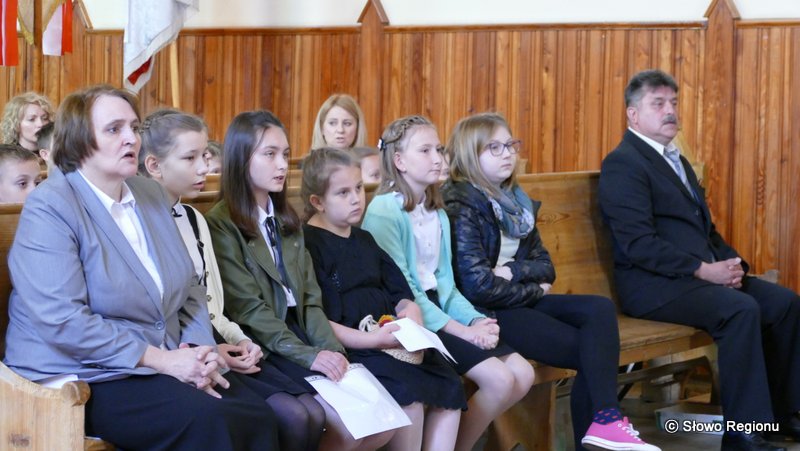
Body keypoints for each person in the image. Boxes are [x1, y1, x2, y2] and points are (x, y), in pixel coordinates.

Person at [2, 85, 278, 450]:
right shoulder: (50, 207)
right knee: (209, 420)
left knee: (260, 414)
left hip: (158, 361)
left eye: (134, 127)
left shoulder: (149, 194)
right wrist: (163, 360)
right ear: (80, 140)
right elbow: (63, 320)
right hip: (82, 372)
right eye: (114, 129)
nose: (132, 138)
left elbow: (190, 287)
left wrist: (198, 350)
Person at [598, 69, 800, 451]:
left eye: (674, 103)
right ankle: (744, 436)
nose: (670, 111)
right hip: (653, 286)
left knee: (784, 303)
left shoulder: (676, 161)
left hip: (696, 279)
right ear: (633, 114)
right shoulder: (623, 164)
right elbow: (638, 244)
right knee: (740, 310)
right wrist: (704, 270)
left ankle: (784, 415)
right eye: (659, 103)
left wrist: (733, 264)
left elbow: (705, 231)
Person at [442, 112, 660, 451]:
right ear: (470, 154)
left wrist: (514, 272)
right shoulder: (462, 203)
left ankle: (605, 422)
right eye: (494, 147)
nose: (508, 154)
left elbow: (546, 266)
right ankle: (604, 426)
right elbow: (477, 286)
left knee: (598, 309)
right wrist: (532, 288)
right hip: (485, 313)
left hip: (515, 298)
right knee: (592, 351)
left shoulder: (516, 201)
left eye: (510, 145)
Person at [205, 110, 393, 451]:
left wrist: (332, 351)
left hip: (302, 331)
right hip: (264, 341)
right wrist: (310, 356)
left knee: (382, 424)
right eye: (270, 154)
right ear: (241, 158)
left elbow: (309, 299)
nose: (282, 165)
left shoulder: (286, 218)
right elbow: (248, 309)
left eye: (286, 154)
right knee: (337, 425)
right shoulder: (222, 222)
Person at [139, 108, 325, 451]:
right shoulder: (141, 222)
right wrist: (211, 349)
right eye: (191, 158)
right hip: (175, 353)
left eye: (205, 156)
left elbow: (211, 305)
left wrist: (239, 340)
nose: (205, 168)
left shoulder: (193, 219)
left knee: (311, 413)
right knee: (286, 416)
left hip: (212, 341)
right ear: (154, 165)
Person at [361, 114, 534, 451]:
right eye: (425, 150)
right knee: (500, 380)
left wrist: (476, 320)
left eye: (439, 149)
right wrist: (464, 332)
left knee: (523, 375)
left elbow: (446, 285)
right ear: (399, 161)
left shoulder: (436, 211)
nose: (437, 158)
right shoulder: (385, 210)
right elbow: (405, 292)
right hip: (407, 318)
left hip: (438, 310)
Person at [302, 147, 466, 451]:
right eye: (343, 193)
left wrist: (410, 313)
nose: (356, 198)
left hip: (389, 340)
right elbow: (319, 320)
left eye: (358, 188)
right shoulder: (309, 246)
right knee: (409, 397)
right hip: (354, 347)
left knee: (450, 385)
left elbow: (400, 292)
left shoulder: (363, 238)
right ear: (317, 202)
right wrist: (374, 340)